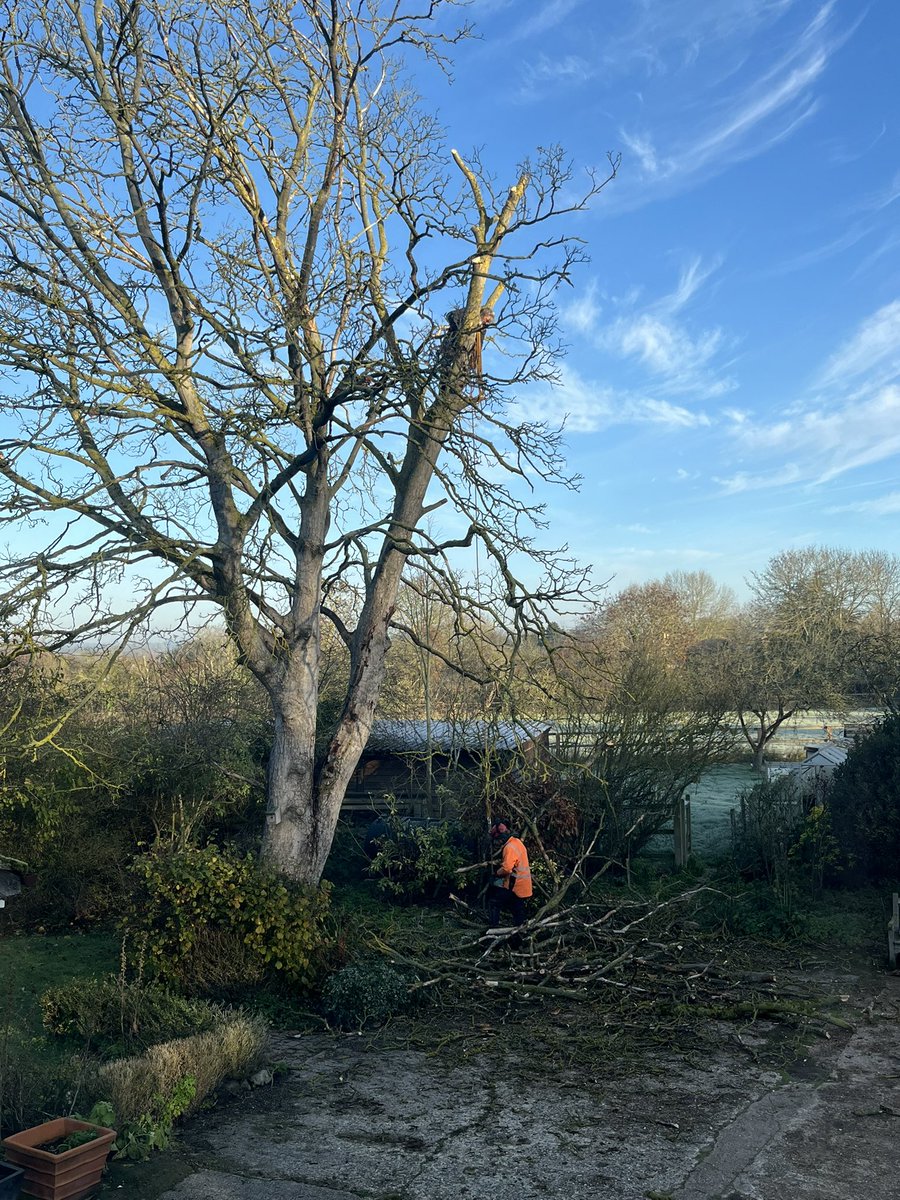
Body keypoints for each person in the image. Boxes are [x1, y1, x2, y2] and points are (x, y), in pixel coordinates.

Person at [487, 820, 532, 927]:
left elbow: (507, 868)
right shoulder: (517, 842)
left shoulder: (509, 847)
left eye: (497, 838)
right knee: (517, 912)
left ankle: (493, 932)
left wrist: (496, 874)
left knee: (494, 903)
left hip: (515, 887)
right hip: (523, 886)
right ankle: (519, 936)